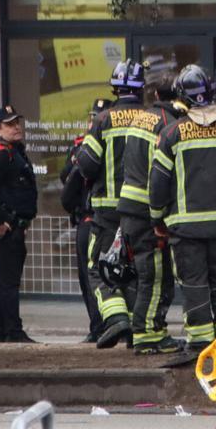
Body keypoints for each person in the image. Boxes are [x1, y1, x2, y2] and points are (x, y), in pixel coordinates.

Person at [149, 65, 216, 352]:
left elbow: (158, 183)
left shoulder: (171, 134)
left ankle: (200, 345)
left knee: (194, 285)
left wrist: (157, 217)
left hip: (185, 230)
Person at [76, 61, 150, 348]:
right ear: (141, 88)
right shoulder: (151, 118)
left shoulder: (104, 120)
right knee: (137, 269)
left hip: (108, 213)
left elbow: (86, 164)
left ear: (115, 88)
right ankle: (138, 329)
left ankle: (117, 318)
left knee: (99, 267)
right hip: (143, 211)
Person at [116, 67, 183, 355]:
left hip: (129, 206)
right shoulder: (170, 124)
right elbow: (163, 175)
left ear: (155, 94)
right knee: (155, 275)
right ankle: (148, 334)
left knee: (146, 274)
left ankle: (147, 331)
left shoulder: (139, 119)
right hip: (147, 210)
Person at [0, 104, 38, 344]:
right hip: (8, 230)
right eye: (10, 124)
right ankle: (11, 331)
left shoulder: (15, 152)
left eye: (17, 123)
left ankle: (4, 331)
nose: (16, 127)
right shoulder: (2, 156)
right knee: (8, 284)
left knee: (5, 283)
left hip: (16, 227)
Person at [60, 98, 110, 343]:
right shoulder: (81, 145)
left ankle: (108, 326)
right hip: (87, 218)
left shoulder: (110, 146)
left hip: (104, 220)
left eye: (98, 117)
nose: (94, 122)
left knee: (106, 277)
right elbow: (65, 178)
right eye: (93, 117)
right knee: (88, 277)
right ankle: (97, 327)